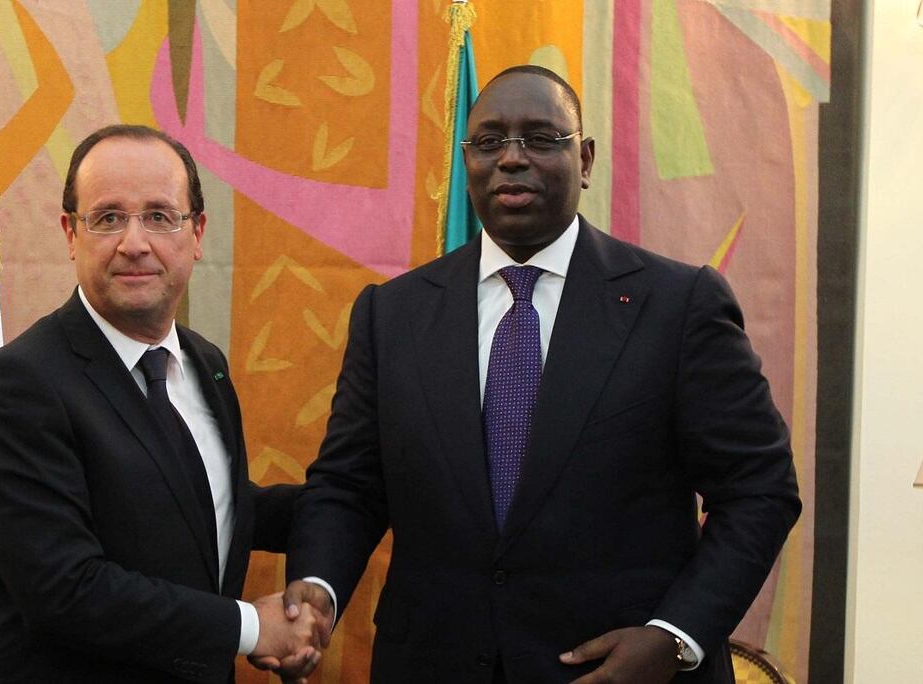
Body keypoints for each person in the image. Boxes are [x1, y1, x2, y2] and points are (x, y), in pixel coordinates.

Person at [280, 65, 801, 683]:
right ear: (467, 160)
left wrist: (674, 635)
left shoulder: (678, 305)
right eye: (490, 141)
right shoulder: (392, 314)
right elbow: (349, 485)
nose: (512, 159)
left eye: (541, 139)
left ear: (584, 160)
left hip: (620, 671)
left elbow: (759, 489)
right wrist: (317, 586)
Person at [0, 124, 323, 682]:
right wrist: (251, 626)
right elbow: (67, 590)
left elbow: (197, 504)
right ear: (70, 233)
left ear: (197, 233)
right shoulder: (16, 385)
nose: (134, 242)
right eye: (107, 218)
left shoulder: (205, 363)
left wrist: (355, 498)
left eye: (160, 216)